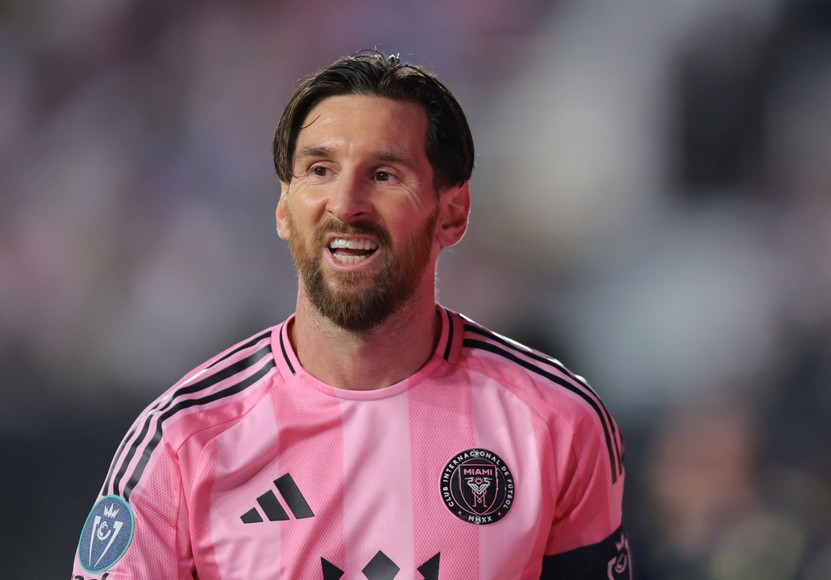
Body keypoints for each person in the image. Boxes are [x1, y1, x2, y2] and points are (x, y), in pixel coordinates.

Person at [71, 50, 631, 579]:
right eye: (320, 170)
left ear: (453, 213)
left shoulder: (558, 423)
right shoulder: (180, 442)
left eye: (384, 175)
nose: (345, 205)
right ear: (283, 208)